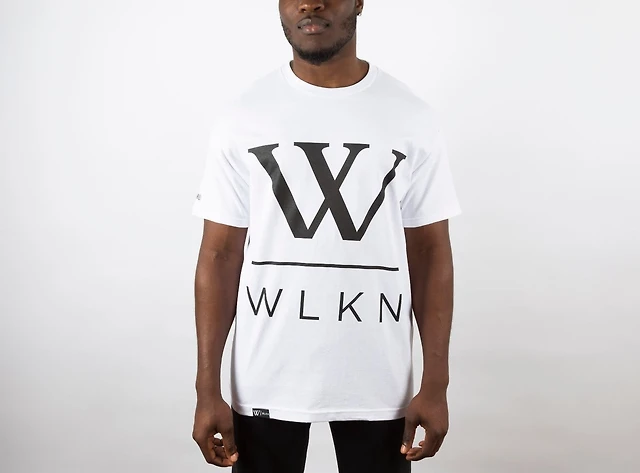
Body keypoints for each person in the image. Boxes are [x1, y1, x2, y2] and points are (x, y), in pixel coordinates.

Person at [191, 1, 461, 471]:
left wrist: (436, 383)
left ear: (359, 2)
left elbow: (430, 252)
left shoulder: (411, 116)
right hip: (264, 378)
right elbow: (219, 255)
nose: (310, 3)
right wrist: (206, 388)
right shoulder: (243, 117)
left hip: (379, 381)